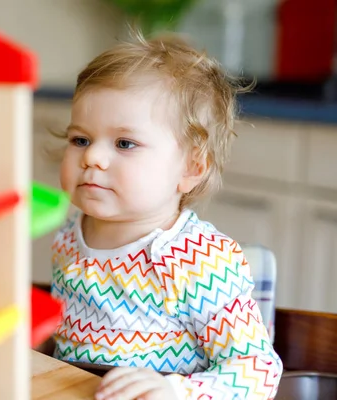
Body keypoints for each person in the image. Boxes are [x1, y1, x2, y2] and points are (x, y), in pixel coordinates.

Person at [50, 30, 283, 400]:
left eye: (125, 143)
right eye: (81, 139)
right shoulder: (68, 229)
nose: (92, 157)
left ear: (190, 168)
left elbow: (258, 369)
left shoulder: (199, 260)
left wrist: (175, 390)